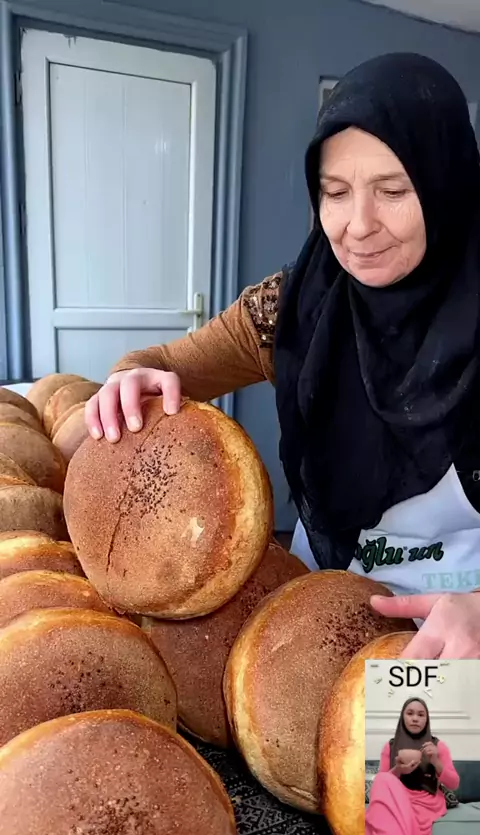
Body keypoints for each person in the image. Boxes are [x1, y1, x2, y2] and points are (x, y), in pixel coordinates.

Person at [85, 52, 480, 659]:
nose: (358, 225)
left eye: (393, 191)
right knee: (294, 726)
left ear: (448, 185)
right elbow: (160, 361)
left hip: (451, 636)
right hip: (315, 618)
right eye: (336, 193)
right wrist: (126, 379)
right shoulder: (293, 309)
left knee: (410, 730)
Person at [366, 697, 460, 835]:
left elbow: (454, 783)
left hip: (426, 801)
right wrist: (398, 770)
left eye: (421, 715)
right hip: (398, 797)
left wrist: (436, 761)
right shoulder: (390, 746)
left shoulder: (437, 746)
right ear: (403, 717)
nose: (415, 718)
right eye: (410, 713)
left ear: (426, 719)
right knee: (382, 779)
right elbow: (380, 786)